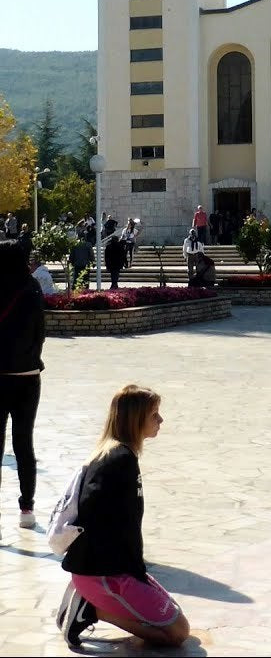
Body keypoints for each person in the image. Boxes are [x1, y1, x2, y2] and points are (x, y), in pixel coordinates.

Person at [56, 385, 191, 648]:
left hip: (117, 570)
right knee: (177, 633)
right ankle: (92, 611)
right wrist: (122, 571)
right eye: (154, 415)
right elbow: (91, 516)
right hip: (104, 575)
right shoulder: (117, 461)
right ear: (135, 419)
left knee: (172, 613)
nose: (160, 420)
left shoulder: (119, 455)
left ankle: (92, 601)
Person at [0, 240, 46, 539]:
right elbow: (40, 334)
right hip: (28, 376)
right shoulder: (31, 289)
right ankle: (26, 509)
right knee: (23, 445)